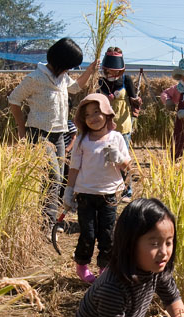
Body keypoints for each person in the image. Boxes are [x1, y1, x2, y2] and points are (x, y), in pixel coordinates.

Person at [8, 38, 97, 227]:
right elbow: (14, 100)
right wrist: (21, 129)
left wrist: (90, 71)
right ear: (61, 62)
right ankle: (48, 224)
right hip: (40, 135)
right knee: (53, 177)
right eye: (70, 66)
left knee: (57, 178)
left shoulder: (63, 78)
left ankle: (47, 218)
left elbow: (75, 88)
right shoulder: (35, 78)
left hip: (59, 136)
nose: (71, 70)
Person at [62, 93, 131, 284]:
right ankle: (82, 265)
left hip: (109, 194)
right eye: (87, 115)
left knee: (107, 233)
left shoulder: (116, 137)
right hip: (85, 195)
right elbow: (74, 167)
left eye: (97, 112)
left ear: (107, 113)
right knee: (88, 233)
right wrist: (69, 192)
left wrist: (119, 158)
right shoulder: (82, 140)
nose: (92, 118)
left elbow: (128, 165)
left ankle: (105, 268)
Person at [97, 47, 138, 197]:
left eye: (116, 70)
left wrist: (137, 101)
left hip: (122, 126)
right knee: (103, 158)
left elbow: (133, 100)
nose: (113, 73)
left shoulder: (126, 80)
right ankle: (108, 188)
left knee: (123, 158)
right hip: (103, 127)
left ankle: (127, 190)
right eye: (110, 70)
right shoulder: (100, 82)